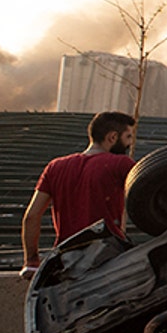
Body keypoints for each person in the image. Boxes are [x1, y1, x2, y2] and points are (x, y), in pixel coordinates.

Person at [20, 111, 138, 277]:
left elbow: (31, 216)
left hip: (65, 262)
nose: (130, 143)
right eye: (128, 137)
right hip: (107, 262)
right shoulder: (121, 163)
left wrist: (31, 261)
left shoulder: (55, 167)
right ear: (112, 137)